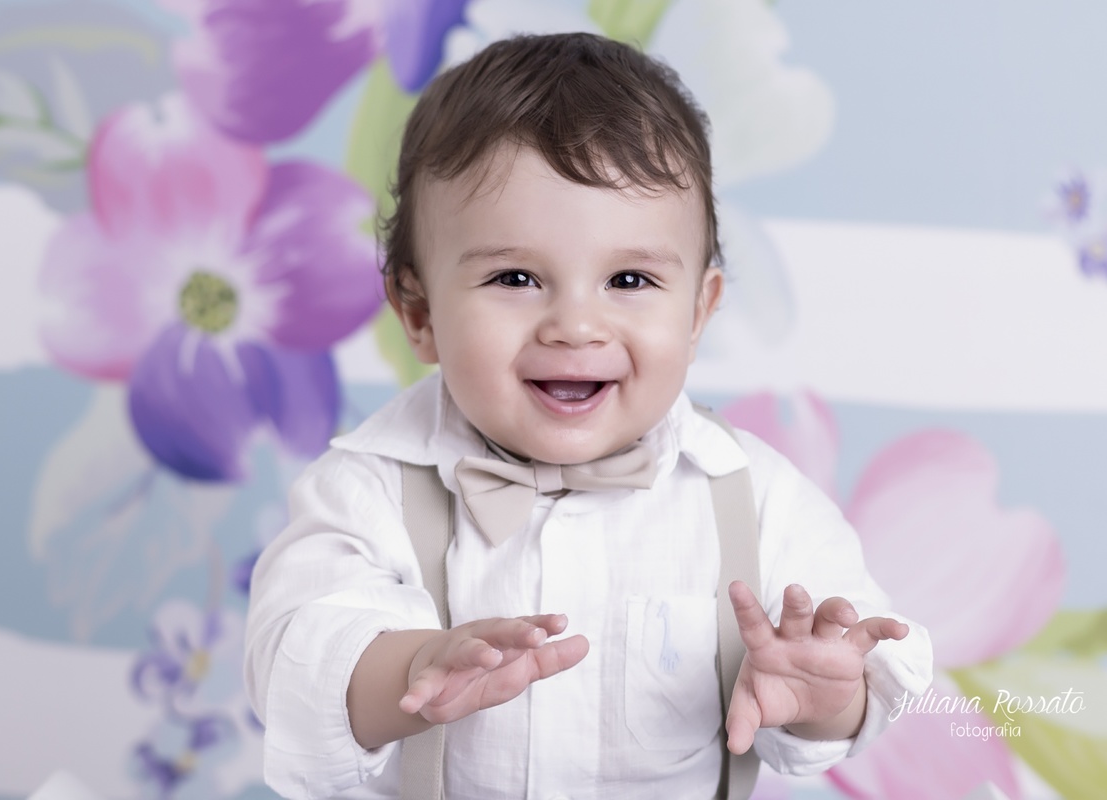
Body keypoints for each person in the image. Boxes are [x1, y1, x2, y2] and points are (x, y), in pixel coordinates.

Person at [244, 31, 932, 799]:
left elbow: (876, 661)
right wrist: (408, 668)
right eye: (515, 278)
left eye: (629, 280)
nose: (575, 326)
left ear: (698, 311)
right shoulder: (368, 490)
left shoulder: (754, 498)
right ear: (419, 312)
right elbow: (295, 654)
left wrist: (824, 692)